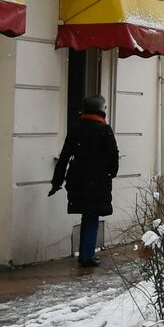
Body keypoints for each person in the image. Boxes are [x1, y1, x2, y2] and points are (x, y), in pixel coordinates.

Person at [49, 94, 119, 268]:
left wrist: (57, 181)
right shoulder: (105, 130)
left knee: (86, 213)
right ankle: (87, 255)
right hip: (97, 179)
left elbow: (64, 156)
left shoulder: (76, 129)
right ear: (101, 110)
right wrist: (111, 173)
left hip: (78, 177)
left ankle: (85, 253)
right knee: (92, 215)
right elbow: (113, 157)